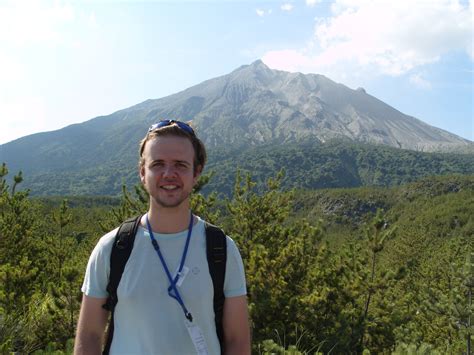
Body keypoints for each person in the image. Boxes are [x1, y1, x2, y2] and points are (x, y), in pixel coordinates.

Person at [74, 120, 250, 355]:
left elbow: (237, 341)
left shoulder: (221, 250)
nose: (169, 174)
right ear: (142, 173)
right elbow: (89, 336)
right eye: (158, 164)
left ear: (196, 172)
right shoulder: (113, 248)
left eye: (180, 164)